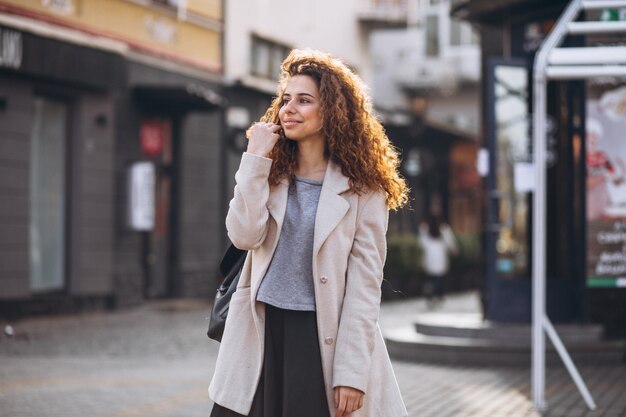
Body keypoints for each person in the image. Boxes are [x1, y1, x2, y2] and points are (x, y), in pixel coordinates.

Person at [208, 49, 409, 417]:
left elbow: (365, 286)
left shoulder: (364, 189)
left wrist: (351, 372)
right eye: (285, 99)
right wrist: (254, 160)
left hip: (319, 338)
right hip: (260, 331)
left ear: (331, 110)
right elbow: (243, 237)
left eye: (304, 100)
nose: (289, 109)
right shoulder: (269, 172)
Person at [418, 209, 458, 307]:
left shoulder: (424, 229)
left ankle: (430, 295)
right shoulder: (444, 228)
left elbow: (421, 243)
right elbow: (450, 242)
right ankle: (437, 296)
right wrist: (454, 250)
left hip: (429, 258)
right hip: (440, 258)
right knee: (439, 279)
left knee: (430, 278)